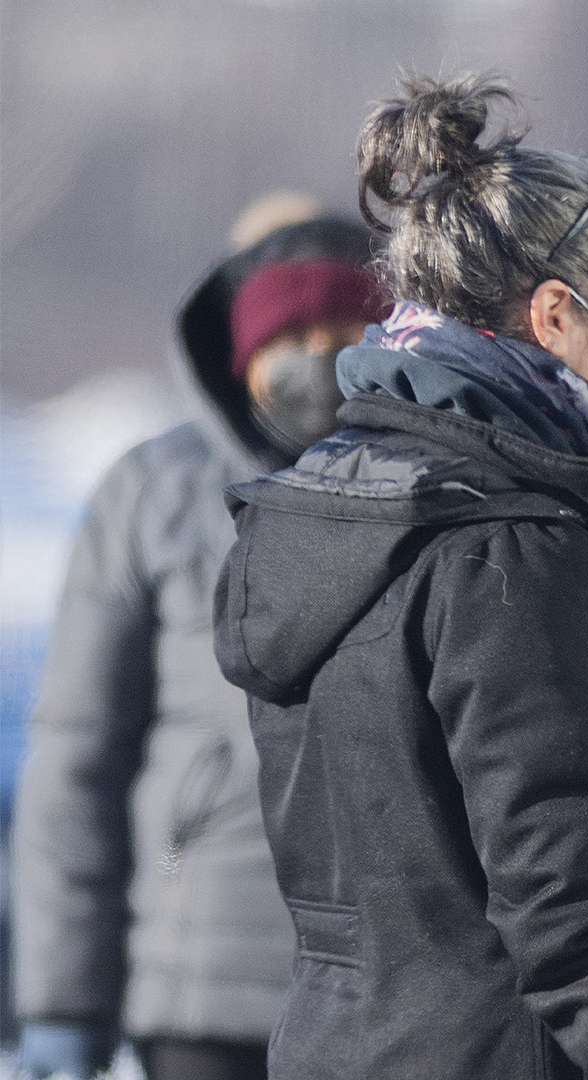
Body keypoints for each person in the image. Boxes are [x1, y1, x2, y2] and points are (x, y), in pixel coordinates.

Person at [210, 74, 588, 1080]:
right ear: (553, 314)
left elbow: (456, 806)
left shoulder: (335, 496)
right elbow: (576, 909)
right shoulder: (508, 542)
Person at [12, 215, 386, 1080]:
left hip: (393, 997)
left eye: (343, 334)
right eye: (291, 336)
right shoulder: (153, 493)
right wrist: (63, 1003)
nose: (316, 358)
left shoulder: (427, 494)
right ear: (239, 355)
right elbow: (77, 759)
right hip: (202, 985)